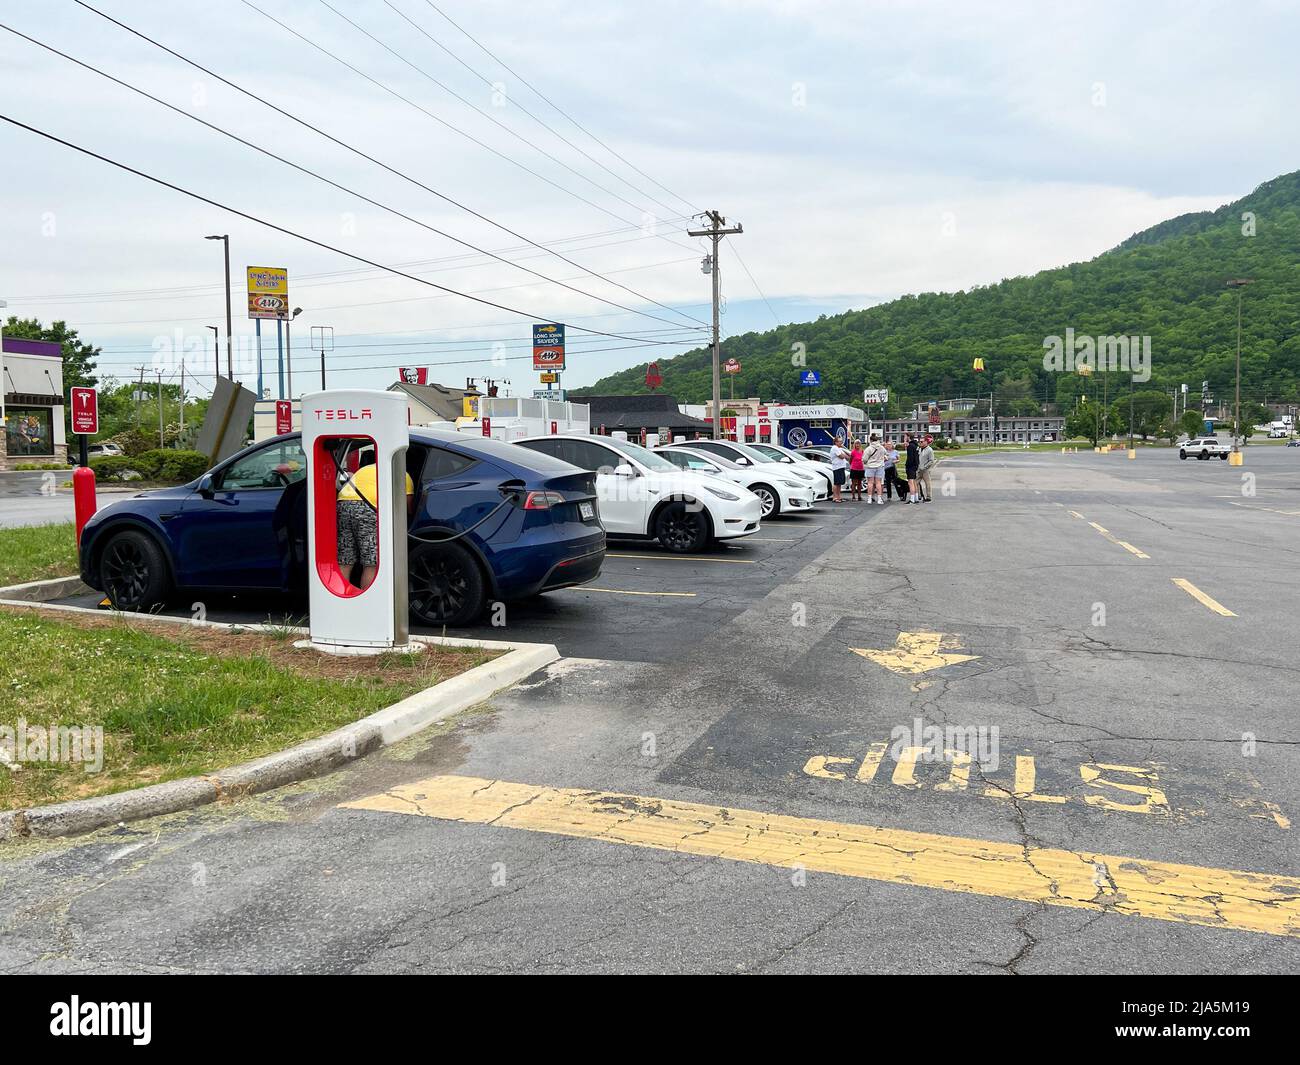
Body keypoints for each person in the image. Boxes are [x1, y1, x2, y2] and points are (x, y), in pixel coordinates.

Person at [337, 449, 416, 590]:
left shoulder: (366, 469)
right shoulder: (403, 475)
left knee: (345, 560)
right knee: (371, 563)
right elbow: (408, 509)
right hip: (366, 508)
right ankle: (367, 602)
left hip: (343, 504)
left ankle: (341, 599)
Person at [863, 433, 887, 504]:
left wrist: (865, 462)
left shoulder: (868, 448)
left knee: (870, 483)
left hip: (870, 466)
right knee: (878, 483)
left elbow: (864, 459)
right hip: (880, 466)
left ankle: (870, 498)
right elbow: (886, 454)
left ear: (870, 440)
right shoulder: (882, 448)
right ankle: (879, 499)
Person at [828, 436, 849, 502]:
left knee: (840, 483)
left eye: (841, 441)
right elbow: (842, 456)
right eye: (839, 441)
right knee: (836, 483)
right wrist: (844, 455)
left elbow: (847, 456)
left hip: (841, 467)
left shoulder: (839, 448)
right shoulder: (834, 448)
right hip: (837, 467)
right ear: (836, 442)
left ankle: (838, 497)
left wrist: (844, 455)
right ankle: (835, 497)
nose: (841, 442)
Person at [918, 435, 936, 502]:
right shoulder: (919, 449)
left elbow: (931, 460)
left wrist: (925, 467)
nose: (920, 443)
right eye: (920, 442)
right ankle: (919, 495)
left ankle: (928, 496)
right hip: (918, 469)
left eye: (922, 441)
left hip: (925, 470)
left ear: (926, 442)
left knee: (927, 483)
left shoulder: (929, 450)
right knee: (916, 482)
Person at [904, 433, 921, 504]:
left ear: (908, 437)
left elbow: (910, 458)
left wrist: (907, 465)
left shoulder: (910, 446)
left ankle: (912, 499)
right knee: (914, 482)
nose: (904, 438)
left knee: (910, 483)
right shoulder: (916, 445)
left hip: (911, 466)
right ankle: (916, 498)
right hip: (916, 465)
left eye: (905, 436)